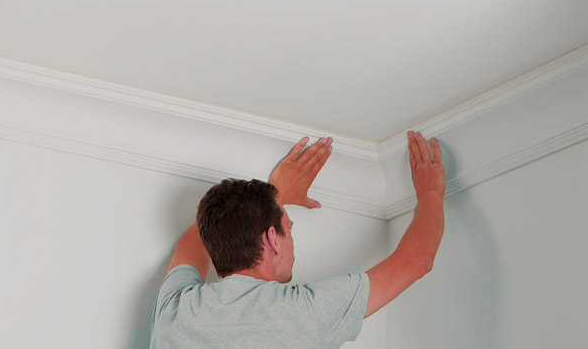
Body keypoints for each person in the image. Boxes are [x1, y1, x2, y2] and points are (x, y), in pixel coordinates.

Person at [149, 131, 445, 348]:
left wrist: (273, 197)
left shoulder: (175, 310)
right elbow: (417, 260)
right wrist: (431, 192)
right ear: (272, 240)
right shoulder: (303, 312)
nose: (291, 240)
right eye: (288, 229)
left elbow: (195, 240)